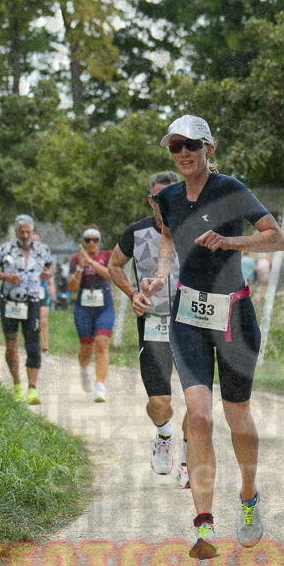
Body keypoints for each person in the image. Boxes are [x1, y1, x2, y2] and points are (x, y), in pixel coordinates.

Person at [141, 114, 284, 560]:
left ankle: (248, 497)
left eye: (192, 145)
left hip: (234, 315)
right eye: (175, 146)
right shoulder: (166, 196)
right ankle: (204, 526)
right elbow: (168, 239)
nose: (184, 153)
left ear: (210, 148)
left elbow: (275, 239)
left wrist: (229, 243)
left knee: (236, 416)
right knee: (199, 417)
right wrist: (159, 275)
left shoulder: (232, 190)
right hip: (188, 315)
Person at [108, 170, 191, 486]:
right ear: (152, 199)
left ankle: (186, 459)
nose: (168, 202)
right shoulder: (136, 231)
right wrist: (132, 294)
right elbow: (114, 265)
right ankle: (163, 432)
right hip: (154, 325)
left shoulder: (196, 228)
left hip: (191, 324)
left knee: (196, 403)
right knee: (160, 403)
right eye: (161, 197)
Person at [0, 215, 55, 405]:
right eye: (22, 232)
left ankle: (32, 390)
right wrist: (4, 275)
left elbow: (50, 269)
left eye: (28, 232)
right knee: (11, 345)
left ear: (32, 232)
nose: (25, 235)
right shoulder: (5, 249)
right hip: (10, 302)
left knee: (33, 345)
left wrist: (48, 276)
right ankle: (17, 384)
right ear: (16, 232)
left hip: (33, 301)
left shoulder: (42, 250)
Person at [68, 227, 115, 403]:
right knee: (87, 349)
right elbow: (72, 288)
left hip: (104, 305)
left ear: (99, 241)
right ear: (84, 242)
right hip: (84, 306)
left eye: (95, 240)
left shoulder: (108, 255)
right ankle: (84, 370)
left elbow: (110, 275)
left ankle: (100, 387)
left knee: (102, 344)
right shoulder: (75, 259)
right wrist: (81, 267)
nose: (92, 243)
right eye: (88, 240)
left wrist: (90, 262)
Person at [32, 232, 54, 364]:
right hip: (27, 292)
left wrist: (51, 284)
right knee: (29, 322)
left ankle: (45, 350)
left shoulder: (44, 256)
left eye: (37, 242)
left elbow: (50, 271)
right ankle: (32, 348)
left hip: (41, 290)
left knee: (43, 319)